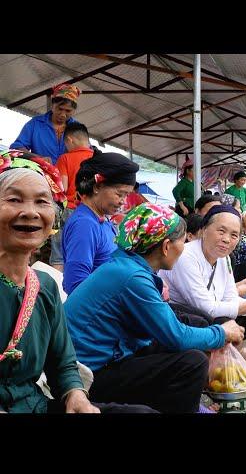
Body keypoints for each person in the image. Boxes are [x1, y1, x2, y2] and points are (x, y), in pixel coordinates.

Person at [0, 150, 154, 414]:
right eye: (14, 199)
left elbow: (63, 364)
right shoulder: (85, 224)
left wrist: (76, 396)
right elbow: (79, 281)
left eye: (42, 202)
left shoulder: (44, 286)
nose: (30, 212)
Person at [64, 203, 245, 413]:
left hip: (112, 355)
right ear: (166, 246)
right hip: (87, 377)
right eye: (182, 241)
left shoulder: (128, 266)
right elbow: (176, 336)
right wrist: (221, 333)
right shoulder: (133, 278)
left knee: (191, 333)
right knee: (192, 362)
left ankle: (187, 404)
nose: (184, 247)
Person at [159, 205, 246, 335]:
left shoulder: (224, 259)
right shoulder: (186, 256)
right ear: (204, 229)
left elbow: (229, 297)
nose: (226, 239)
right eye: (221, 231)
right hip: (180, 322)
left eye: (234, 235)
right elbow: (206, 308)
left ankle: (231, 355)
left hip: (204, 317)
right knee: (225, 323)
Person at [61, 152, 139, 295]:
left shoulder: (102, 220)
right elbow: (75, 284)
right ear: (97, 187)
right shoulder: (85, 225)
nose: (123, 201)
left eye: (126, 195)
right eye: (119, 194)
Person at [49, 122, 96, 271]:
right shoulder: (98, 158)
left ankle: (58, 292)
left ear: (69, 140)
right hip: (91, 211)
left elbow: (60, 187)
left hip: (68, 210)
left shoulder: (65, 158)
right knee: (86, 253)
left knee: (58, 254)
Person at [10, 84, 81, 165]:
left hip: (69, 176)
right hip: (41, 173)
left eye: (68, 111)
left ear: (74, 111)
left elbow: (86, 153)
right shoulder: (35, 123)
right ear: (52, 105)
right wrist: (37, 158)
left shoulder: (78, 129)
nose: (63, 114)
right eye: (60, 109)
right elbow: (16, 148)